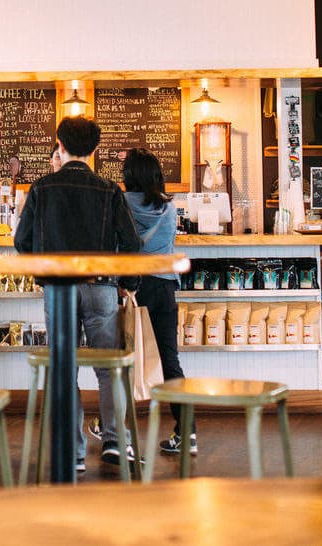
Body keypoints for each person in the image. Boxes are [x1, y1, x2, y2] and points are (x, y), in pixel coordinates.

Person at [14, 116, 140, 470]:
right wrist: (129, 284)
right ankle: (116, 442)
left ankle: (73, 452)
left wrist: (44, 272)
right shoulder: (109, 190)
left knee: (64, 368)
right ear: (96, 149)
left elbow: (21, 242)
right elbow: (132, 242)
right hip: (100, 287)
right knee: (108, 368)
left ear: (60, 144)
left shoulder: (40, 188)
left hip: (58, 289)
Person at [120, 148, 195, 455]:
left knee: (122, 362)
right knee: (169, 360)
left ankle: (119, 431)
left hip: (132, 289)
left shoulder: (121, 204)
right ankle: (186, 432)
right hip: (164, 288)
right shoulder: (170, 207)